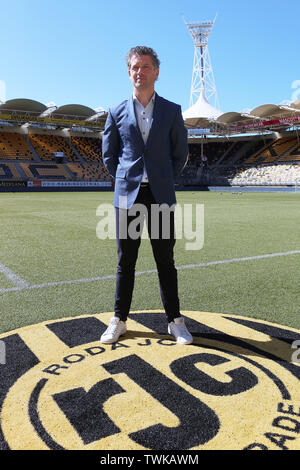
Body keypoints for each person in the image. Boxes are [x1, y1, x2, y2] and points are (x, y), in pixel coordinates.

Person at [100, 46, 192, 345]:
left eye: (146, 66)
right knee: (125, 261)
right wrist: (127, 179)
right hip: (128, 197)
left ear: (156, 71)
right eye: (135, 67)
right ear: (129, 72)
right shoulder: (115, 111)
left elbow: (180, 155)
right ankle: (119, 319)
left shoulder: (172, 110)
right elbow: (109, 156)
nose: (140, 72)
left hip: (161, 195)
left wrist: (162, 179)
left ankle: (175, 321)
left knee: (165, 260)